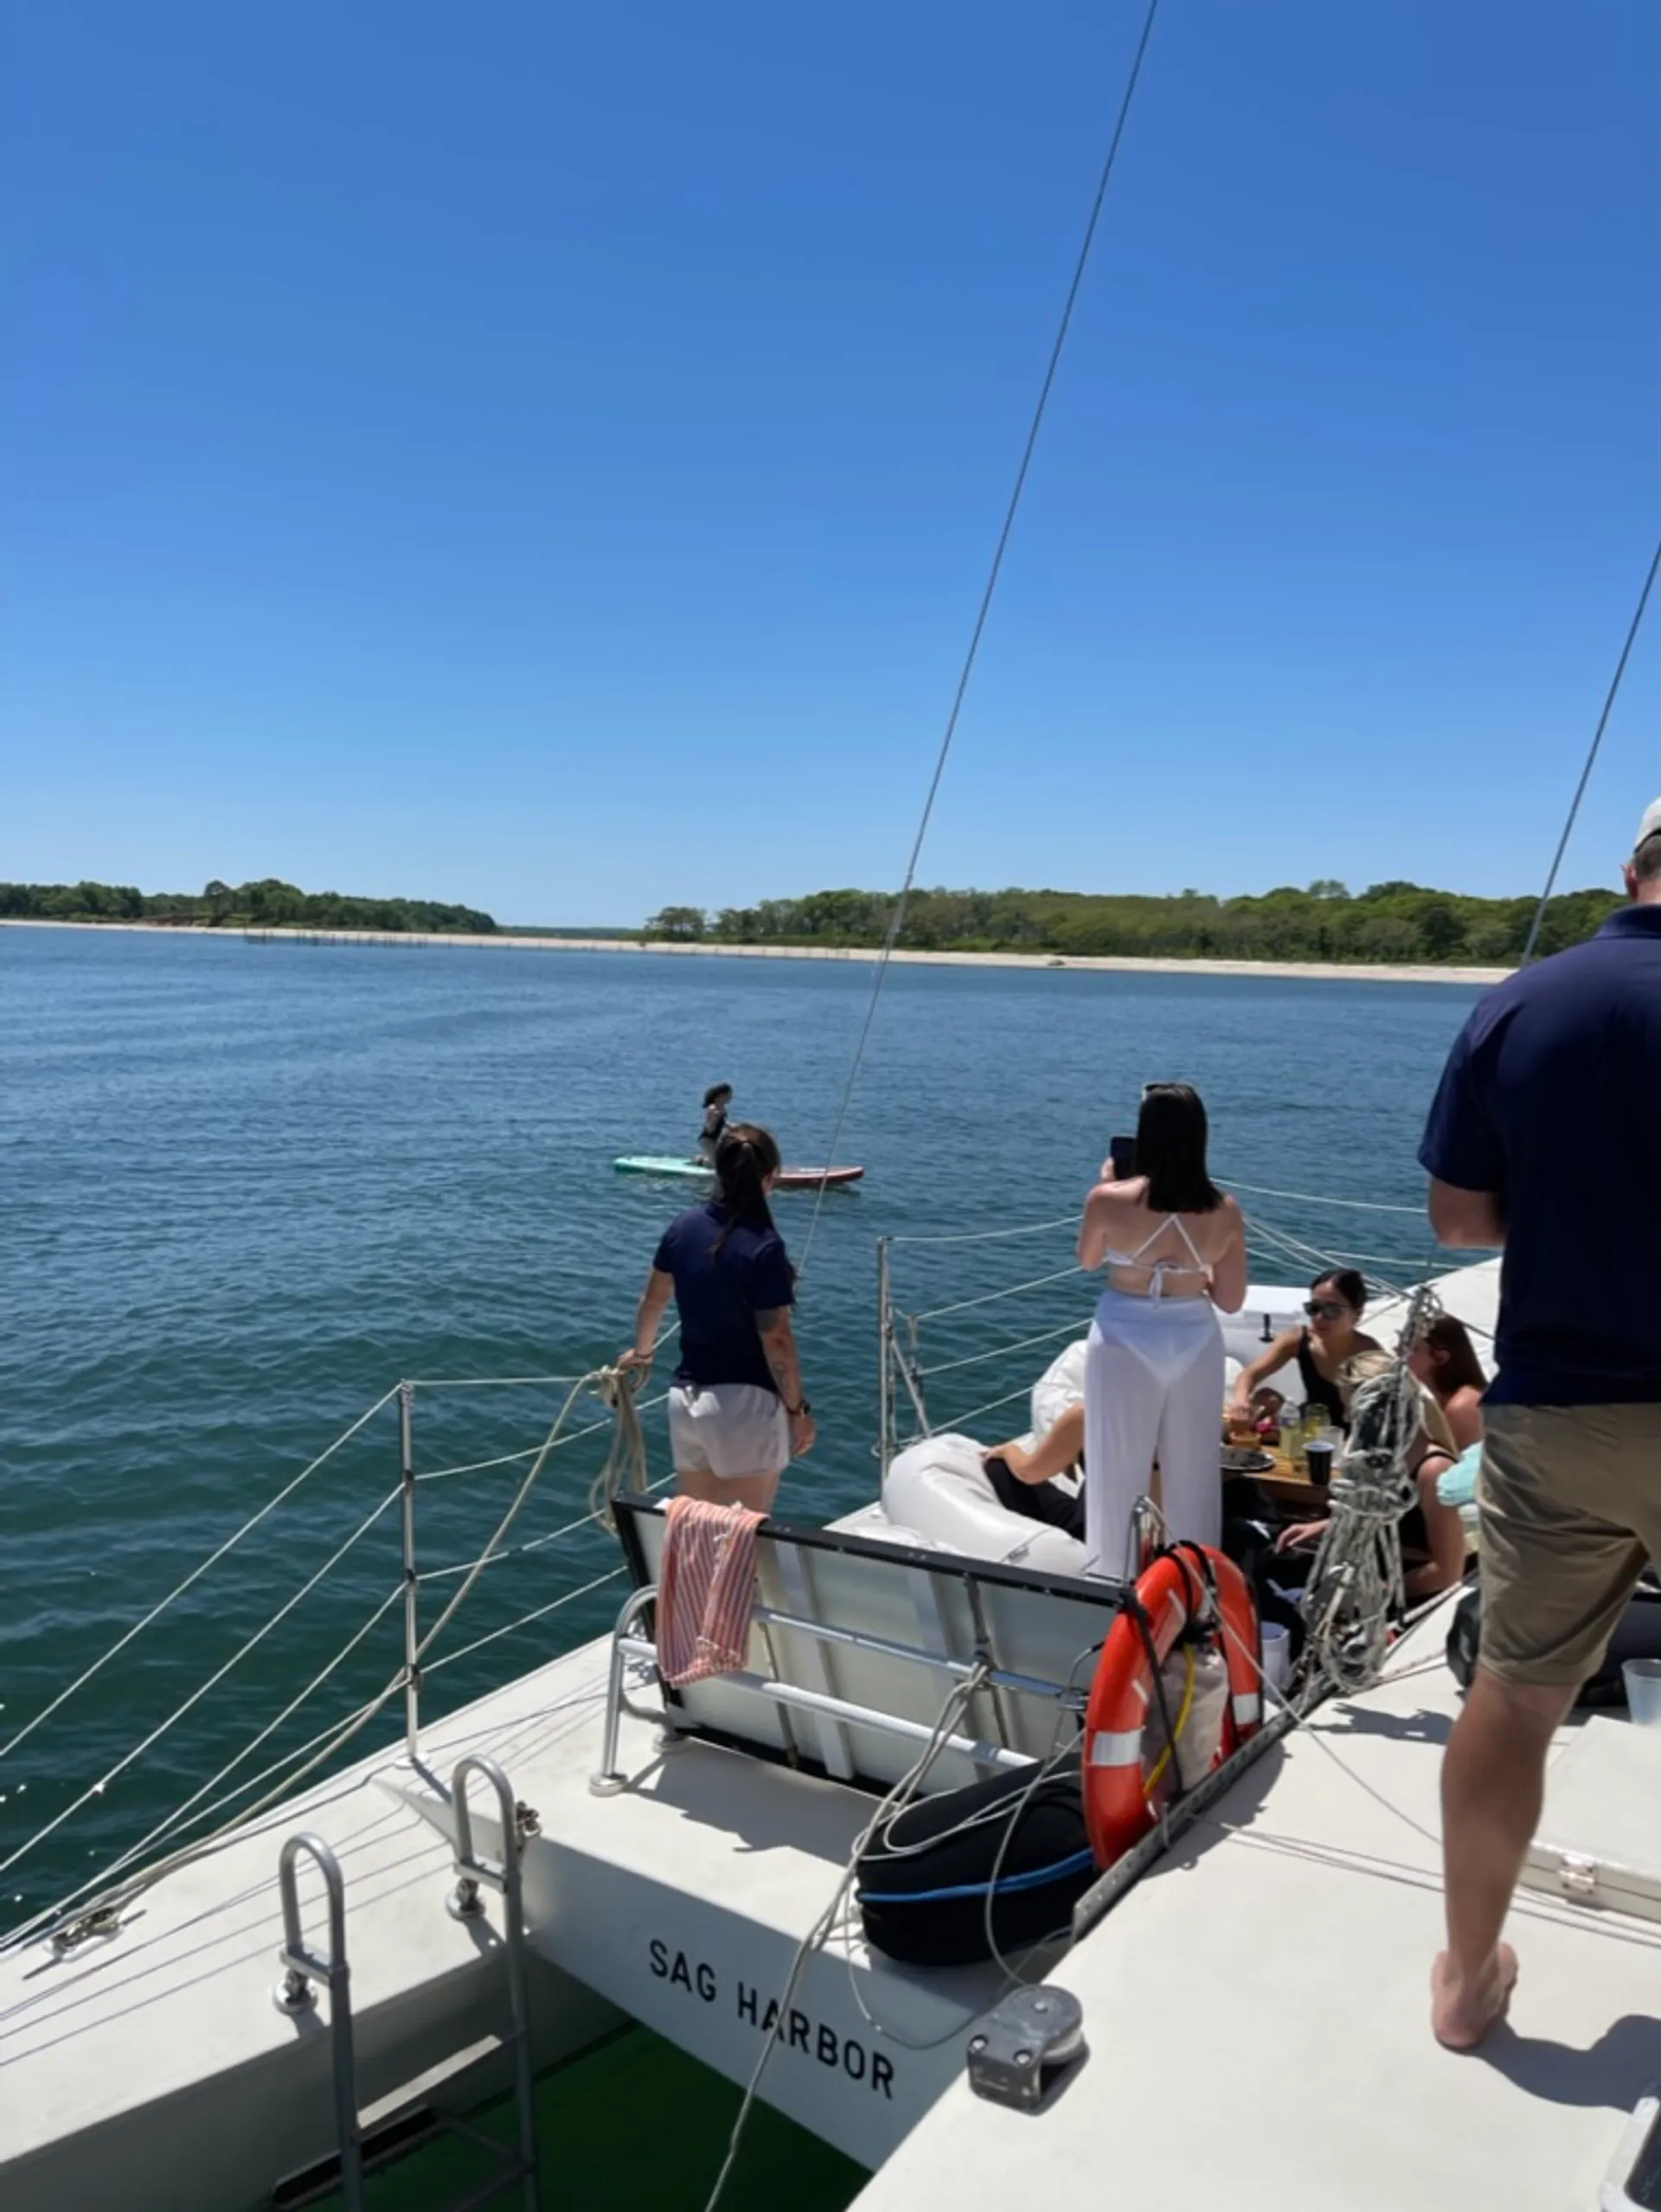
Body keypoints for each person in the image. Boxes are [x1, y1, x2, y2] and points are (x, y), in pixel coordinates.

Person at [1419, 797, 1661, 2051]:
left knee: (1516, 1698)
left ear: (1632, 869)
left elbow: (1457, 1220)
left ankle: (1465, 1983)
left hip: (1559, 1408)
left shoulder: (1522, 1003)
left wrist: (1575, 1213)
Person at [1076, 1082, 1247, 1573]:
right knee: (1192, 1473)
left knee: (1116, 1470)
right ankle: (1195, 1587)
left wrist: (1107, 1182)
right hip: (1194, 1335)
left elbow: (1087, 1261)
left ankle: (1114, 1586)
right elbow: (1231, 1300)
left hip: (1125, 1333)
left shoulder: (1108, 1199)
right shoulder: (1225, 1211)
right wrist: (1194, 1269)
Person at [619, 1122, 815, 1513]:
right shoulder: (765, 1247)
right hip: (744, 1405)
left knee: (695, 1530)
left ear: (717, 1170)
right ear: (770, 1178)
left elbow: (653, 1301)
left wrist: (641, 1354)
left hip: (685, 1402)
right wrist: (798, 1411)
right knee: (742, 1537)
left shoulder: (683, 1226)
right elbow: (775, 1340)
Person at [1227, 1270, 1381, 1430]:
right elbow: (1250, 1375)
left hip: (1349, 1436)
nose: (1319, 1317)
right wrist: (1241, 1402)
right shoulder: (1298, 1339)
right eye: (1314, 1308)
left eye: (1332, 1311)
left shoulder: (1370, 1356)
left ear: (1357, 1315)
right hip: (1309, 1425)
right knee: (1265, 1398)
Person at [983, 1403, 1087, 1542]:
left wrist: (1007, 1450)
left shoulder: (1085, 1414)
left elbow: (1028, 1473)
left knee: (998, 1467)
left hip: (1087, 1531)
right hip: (1123, 1528)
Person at [1408, 1313, 1487, 1454]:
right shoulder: (1432, 1396)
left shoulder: (1462, 1408)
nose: (1398, 1351)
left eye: (1413, 1348)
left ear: (1441, 1358)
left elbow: (1467, 1467)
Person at [696, 1082, 734, 1167]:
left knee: (722, 1161)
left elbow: (723, 1123)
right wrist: (715, 1118)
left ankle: (705, 1158)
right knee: (714, 1165)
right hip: (708, 1140)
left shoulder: (722, 1108)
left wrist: (734, 1127)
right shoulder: (712, 1108)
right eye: (729, 1095)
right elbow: (709, 1129)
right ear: (722, 1095)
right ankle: (699, 1160)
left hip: (715, 1140)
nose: (731, 1098)